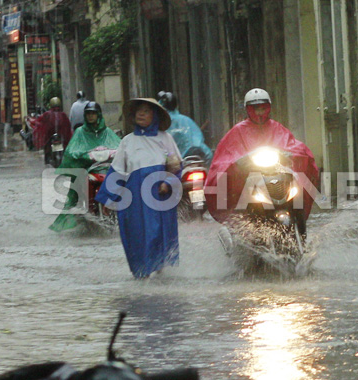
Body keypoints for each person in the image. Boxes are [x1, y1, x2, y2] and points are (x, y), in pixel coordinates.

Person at [205, 88, 319, 234]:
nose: (259, 112)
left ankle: (299, 226)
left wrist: (291, 154)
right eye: (255, 108)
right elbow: (226, 156)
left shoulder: (277, 128)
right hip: (250, 179)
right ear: (248, 109)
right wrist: (238, 162)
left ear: (269, 108)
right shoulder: (238, 131)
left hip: (277, 175)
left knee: (296, 191)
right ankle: (243, 226)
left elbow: (292, 145)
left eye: (262, 108)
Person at [95, 98, 182, 279]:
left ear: (155, 115)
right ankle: (142, 274)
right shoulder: (128, 141)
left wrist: (167, 181)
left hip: (159, 196)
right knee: (137, 233)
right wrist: (108, 200)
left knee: (161, 233)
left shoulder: (165, 139)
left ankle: (162, 273)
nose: (141, 114)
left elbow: (175, 164)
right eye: (138, 111)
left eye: (146, 111)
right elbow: (118, 171)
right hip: (135, 198)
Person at [49, 101, 121, 232]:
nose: (91, 116)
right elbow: (71, 151)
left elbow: (119, 145)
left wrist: (115, 152)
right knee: (74, 193)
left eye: (93, 113)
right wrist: (84, 155)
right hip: (86, 170)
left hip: (104, 169)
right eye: (88, 114)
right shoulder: (80, 132)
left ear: (98, 115)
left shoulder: (107, 132)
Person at [157, 91, 213, 165]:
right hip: (192, 161)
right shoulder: (186, 120)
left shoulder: (159, 124)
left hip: (174, 164)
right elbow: (199, 144)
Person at [32, 97, 72, 164]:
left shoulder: (47, 114)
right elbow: (67, 127)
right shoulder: (63, 115)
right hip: (59, 137)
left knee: (46, 145)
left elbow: (40, 123)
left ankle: (48, 159)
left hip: (50, 137)